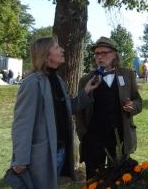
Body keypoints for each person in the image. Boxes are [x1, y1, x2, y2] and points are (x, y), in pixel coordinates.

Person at [10, 36, 95, 189]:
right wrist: (20, 159)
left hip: (59, 150)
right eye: (57, 47)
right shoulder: (32, 83)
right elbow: (22, 124)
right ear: (46, 55)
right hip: (41, 155)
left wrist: (86, 91)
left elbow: (69, 107)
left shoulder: (58, 80)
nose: (62, 50)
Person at [75, 36, 143, 180]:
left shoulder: (128, 75)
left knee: (119, 178)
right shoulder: (86, 79)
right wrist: (83, 134)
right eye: (97, 54)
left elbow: (138, 101)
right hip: (93, 138)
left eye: (104, 53)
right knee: (94, 178)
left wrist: (133, 106)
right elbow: (79, 110)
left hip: (120, 137)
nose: (99, 57)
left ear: (113, 55)